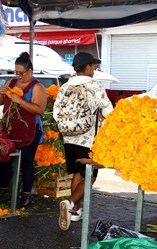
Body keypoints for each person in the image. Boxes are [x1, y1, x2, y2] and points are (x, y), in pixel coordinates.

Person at [53, 52, 113, 231]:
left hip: (68, 138)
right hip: (87, 140)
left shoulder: (64, 87)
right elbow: (109, 111)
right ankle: (70, 203)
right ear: (86, 67)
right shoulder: (94, 86)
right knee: (90, 176)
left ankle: (75, 212)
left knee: (76, 175)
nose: (94, 70)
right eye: (93, 67)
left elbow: (56, 113)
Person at [0, 52, 46, 208]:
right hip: (10, 129)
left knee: (27, 163)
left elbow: (40, 110)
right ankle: (4, 191)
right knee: (5, 160)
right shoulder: (11, 82)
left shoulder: (37, 87)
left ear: (30, 71)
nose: (18, 76)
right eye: (16, 72)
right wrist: (0, 93)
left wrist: (20, 101)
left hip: (30, 131)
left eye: (21, 73)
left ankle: (26, 194)